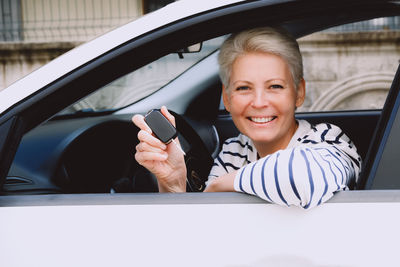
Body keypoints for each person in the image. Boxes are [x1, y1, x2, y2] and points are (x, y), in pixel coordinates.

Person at [132, 27, 361, 209]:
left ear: (298, 92)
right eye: (243, 88)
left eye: (275, 86)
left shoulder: (329, 139)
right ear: (227, 98)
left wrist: (215, 188)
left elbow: (300, 178)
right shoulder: (235, 150)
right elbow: (203, 230)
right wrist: (173, 184)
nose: (259, 102)